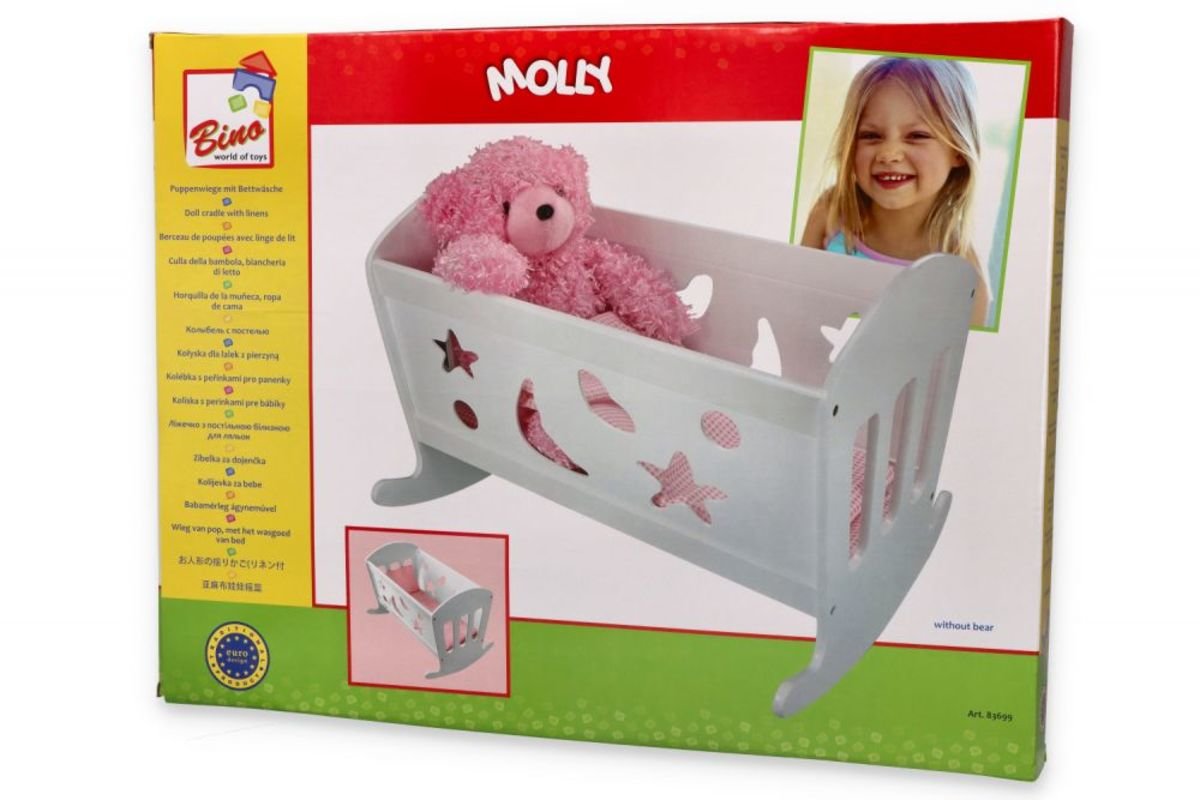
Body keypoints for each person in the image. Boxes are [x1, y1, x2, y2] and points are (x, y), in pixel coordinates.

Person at [800, 57, 991, 326]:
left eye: (917, 136)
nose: (889, 154)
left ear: (958, 151)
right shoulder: (831, 212)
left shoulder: (964, 272)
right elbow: (795, 305)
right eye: (871, 135)